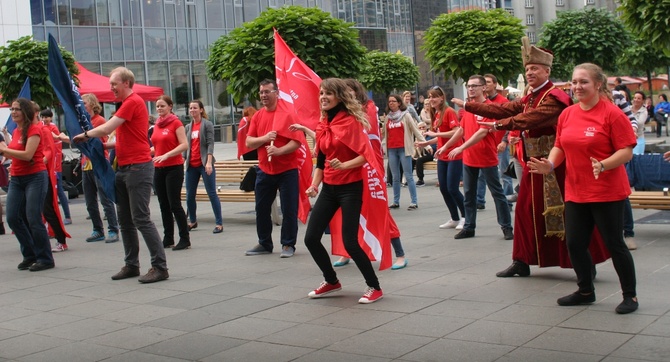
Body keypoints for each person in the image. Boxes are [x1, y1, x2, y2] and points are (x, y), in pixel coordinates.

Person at [456, 37, 610, 278]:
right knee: (525, 212)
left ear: (547, 70)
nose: (529, 72)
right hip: (532, 164)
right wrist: (471, 106)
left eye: (535, 68)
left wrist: (498, 126)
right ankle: (522, 260)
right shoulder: (531, 96)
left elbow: (530, 120)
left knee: (567, 215)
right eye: (527, 69)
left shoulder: (554, 97)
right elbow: (505, 108)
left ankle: (586, 263)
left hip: (555, 166)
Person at [527, 63, 638, 314]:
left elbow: (626, 151)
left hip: (607, 191)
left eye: (584, 82)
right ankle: (585, 290)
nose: (577, 86)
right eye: (574, 82)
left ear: (598, 84)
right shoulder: (568, 114)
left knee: (614, 243)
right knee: (575, 244)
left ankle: (630, 295)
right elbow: (561, 145)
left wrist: (604, 164)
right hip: (576, 191)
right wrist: (551, 163)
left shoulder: (612, 114)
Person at [73, 67, 168, 283]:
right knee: (125, 220)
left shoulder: (133, 102)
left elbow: (107, 128)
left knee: (141, 218)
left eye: (114, 84)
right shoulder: (127, 104)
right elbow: (123, 137)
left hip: (138, 168)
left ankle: (160, 267)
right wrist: (99, 145)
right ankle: (132, 265)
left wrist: (86, 135)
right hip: (125, 168)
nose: (111, 88)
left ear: (126, 83)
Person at [304, 78, 384, 303]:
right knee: (311, 238)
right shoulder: (323, 124)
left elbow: (365, 155)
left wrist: (344, 165)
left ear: (339, 96)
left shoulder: (350, 122)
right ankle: (331, 281)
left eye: (328, 93)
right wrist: (314, 185)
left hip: (350, 188)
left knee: (350, 242)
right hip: (329, 188)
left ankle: (374, 287)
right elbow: (321, 161)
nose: (323, 97)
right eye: (321, 93)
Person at [331, 78, 408, 270]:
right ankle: (345, 251)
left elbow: (365, 133)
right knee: (345, 209)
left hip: (369, 166)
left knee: (379, 208)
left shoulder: (369, 108)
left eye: (348, 91)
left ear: (356, 92)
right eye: (343, 92)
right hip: (347, 167)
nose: (346, 95)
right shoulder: (340, 113)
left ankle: (399, 253)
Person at [445, 75, 513, 240]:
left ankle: (506, 227)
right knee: (469, 194)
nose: (471, 89)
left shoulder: (488, 108)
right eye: (469, 86)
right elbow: (461, 130)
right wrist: (446, 147)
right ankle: (469, 227)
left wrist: (461, 147)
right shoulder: (469, 108)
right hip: (469, 158)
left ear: (484, 88)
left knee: (497, 194)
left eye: (475, 86)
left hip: (486, 157)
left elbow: (482, 132)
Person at [245, 79, 301, 258]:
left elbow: (296, 141)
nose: (263, 95)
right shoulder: (258, 116)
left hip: (287, 170)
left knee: (289, 208)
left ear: (276, 93)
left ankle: (288, 244)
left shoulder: (287, 114)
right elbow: (249, 142)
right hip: (264, 169)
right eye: (261, 92)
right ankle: (264, 242)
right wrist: (264, 138)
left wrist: (279, 150)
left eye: (267, 92)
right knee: (261, 208)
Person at [0, 98, 54, 271]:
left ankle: (45, 258)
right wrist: (6, 153)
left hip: (35, 177)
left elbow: (27, 155)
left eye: (17, 109)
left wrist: (4, 150)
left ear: (26, 112)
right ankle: (30, 254)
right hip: (17, 177)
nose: (13, 112)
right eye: (12, 109)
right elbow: (13, 152)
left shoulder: (34, 129)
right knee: (12, 217)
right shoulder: (16, 131)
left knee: (33, 218)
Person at [417, 86, 465, 230]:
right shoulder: (436, 113)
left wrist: (437, 137)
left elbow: (456, 132)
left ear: (441, 98)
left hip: (454, 154)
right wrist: (426, 142)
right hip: (442, 155)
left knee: (452, 188)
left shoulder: (449, 112)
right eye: (430, 97)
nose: (431, 99)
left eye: (434, 97)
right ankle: (454, 218)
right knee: (444, 188)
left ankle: (465, 216)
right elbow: (439, 135)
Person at [151, 95, 190, 250]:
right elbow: (158, 146)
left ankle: (184, 238)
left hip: (174, 167)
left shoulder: (176, 123)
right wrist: (148, 152)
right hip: (159, 167)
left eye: (162, 106)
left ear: (170, 107)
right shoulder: (157, 124)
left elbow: (184, 145)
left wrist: (167, 154)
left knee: (175, 204)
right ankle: (168, 238)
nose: (159, 109)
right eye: (157, 106)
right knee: (163, 204)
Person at [80, 93, 120, 244]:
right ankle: (97, 229)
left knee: (105, 199)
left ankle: (113, 229)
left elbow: (105, 141)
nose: (82, 105)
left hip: (98, 162)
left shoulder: (100, 120)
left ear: (91, 104)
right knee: (90, 201)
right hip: (86, 164)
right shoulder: (83, 122)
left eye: (84, 103)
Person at [184, 100, 223, 234]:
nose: (192, 110)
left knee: (211, 193)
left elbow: (210, 144)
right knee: (189, 195)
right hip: (191, 165)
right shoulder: (188, 127)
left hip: (204, 164)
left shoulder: (207, 124)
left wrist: (208, 162)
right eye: (190, 108)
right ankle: (192, 221)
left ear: (201, 110)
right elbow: (186, 146)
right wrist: (185, 159)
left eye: (195, 108)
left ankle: (219, 223)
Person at [384, 94, 429, 210]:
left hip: (404, 149)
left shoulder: (406, 115)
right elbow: (383, 133)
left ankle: (414, 201)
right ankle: (395, 201)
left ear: (399, 103)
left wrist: (425, 143)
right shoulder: (388, 117)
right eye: (389, 101)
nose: (391, 103)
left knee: (408, 175)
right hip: (392, 149)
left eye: (394, 101)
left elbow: (415, 130)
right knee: (395, 177)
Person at [476, 74, 514, 210]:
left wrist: (504, 141)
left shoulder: (503, 101)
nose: (485, 85)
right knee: (481, 173)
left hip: (500, 143)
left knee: (504, 173)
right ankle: (480, 200)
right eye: (484, 82)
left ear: (495, 84)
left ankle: (507, 201)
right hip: (487, 144)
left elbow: (511, 123)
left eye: (488, 82)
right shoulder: (483, 102)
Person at [40, 109, 72, 225]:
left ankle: (67, 216)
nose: (44, 119)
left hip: (55, 165)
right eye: (42, 117)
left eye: (46, 117)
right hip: (47, 164)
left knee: (59, 191)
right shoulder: (43, 127)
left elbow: (55, 141)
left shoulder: (52, 128)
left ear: (51, 117)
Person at [631, 91, 648, 156]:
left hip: (639, 138)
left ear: (643, 100)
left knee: (637, 158)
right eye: (635, 98)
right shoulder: (628, 108)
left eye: (638, 98)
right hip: (628, 138)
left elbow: (640, 122)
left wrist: (629, 119)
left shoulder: (644, 111)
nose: (636, 100)